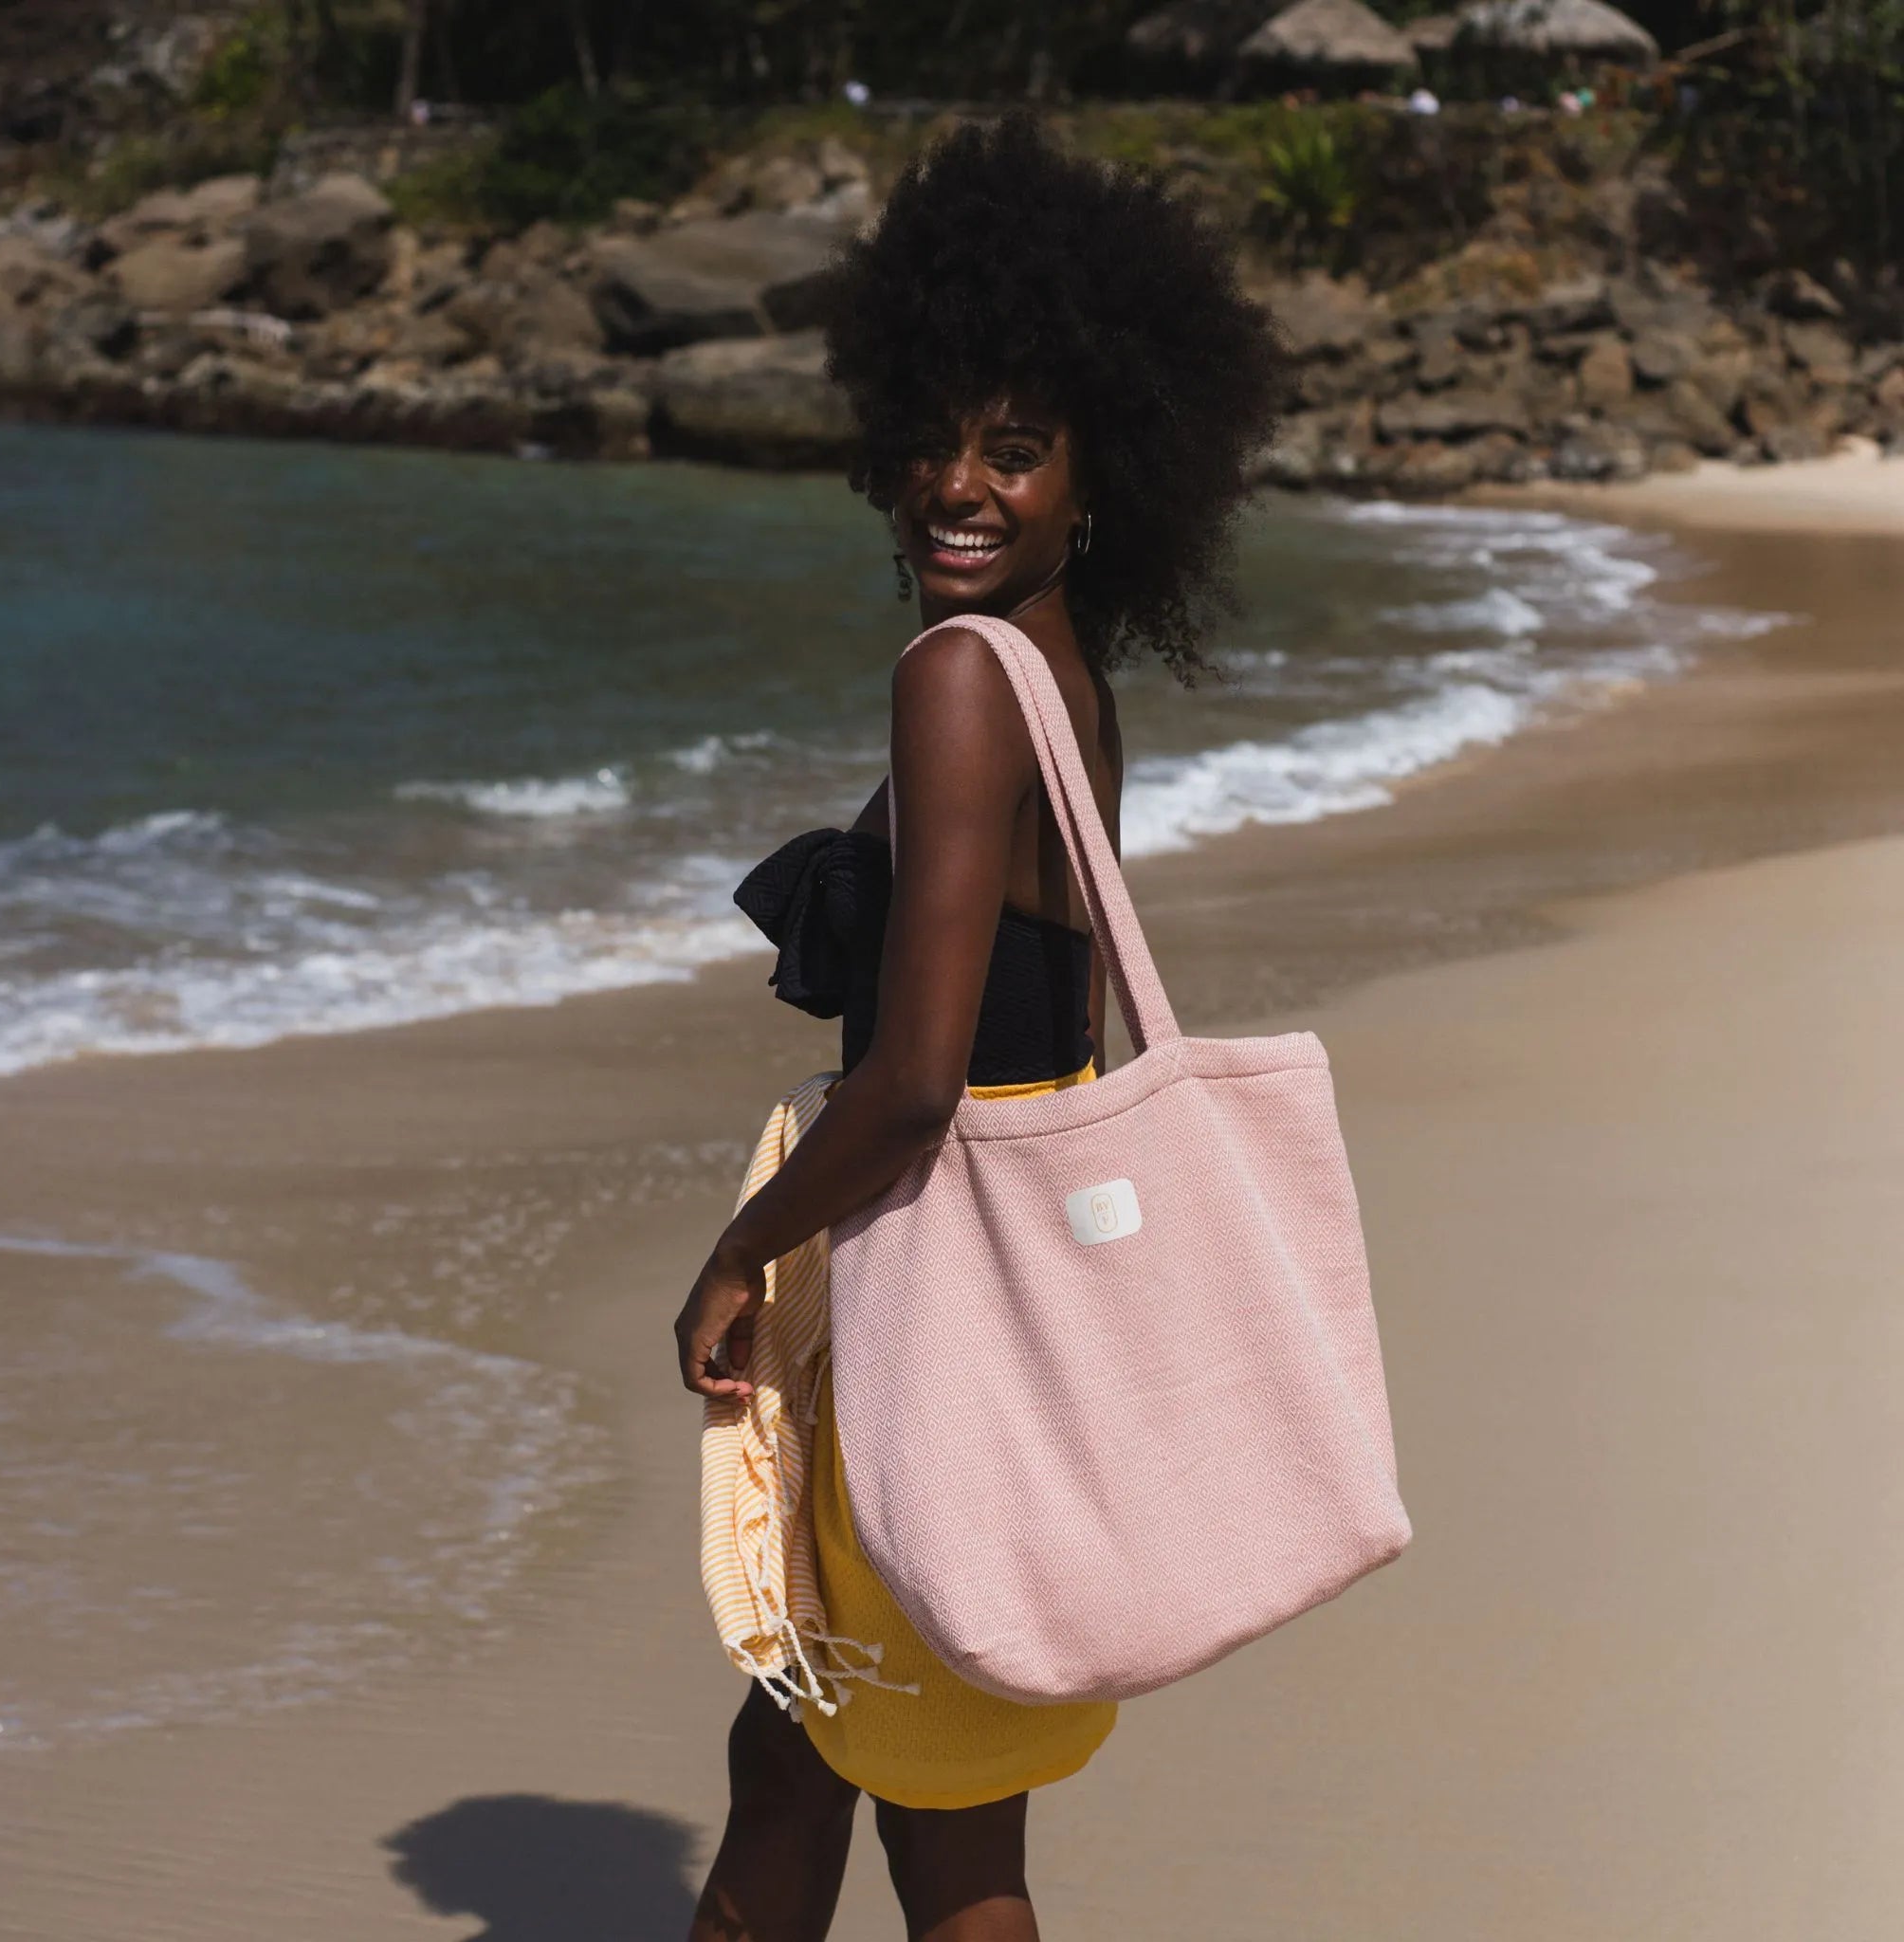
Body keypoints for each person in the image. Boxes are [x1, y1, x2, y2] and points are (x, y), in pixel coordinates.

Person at [674, 114, 1284, 1942]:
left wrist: (739, 1255)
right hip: (1019, 1319)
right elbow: (1060, 1032)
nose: (962, 484)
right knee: (833, 1768)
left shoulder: (957, 680)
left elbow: (923, 1081)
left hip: (929, 1306)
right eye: (935, 443)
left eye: (1015, 454)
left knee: (903, 1809)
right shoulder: (1062, 676)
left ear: (1095, 476)